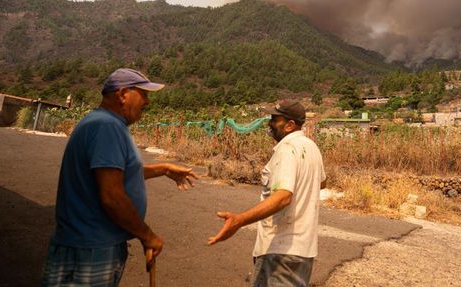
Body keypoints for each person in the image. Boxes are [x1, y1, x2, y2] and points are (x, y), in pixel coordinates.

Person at [41, 68, 198, 287]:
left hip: (89, 246)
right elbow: (112, 196)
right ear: (123, 94)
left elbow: (114, 174)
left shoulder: (103, 123)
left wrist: (163, 169)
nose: (147, 102)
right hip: (91, 250)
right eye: (143, 94)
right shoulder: (107, 127)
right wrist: (147, 235)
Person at [208, 100, 325, 287]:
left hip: (280, 251)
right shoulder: (311, 147)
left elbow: (283, 196)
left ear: (289, 125)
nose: (270, 123)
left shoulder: (287, 149)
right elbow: (322, 182)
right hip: (303, 251)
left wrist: (239, 220)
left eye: (275, 119)